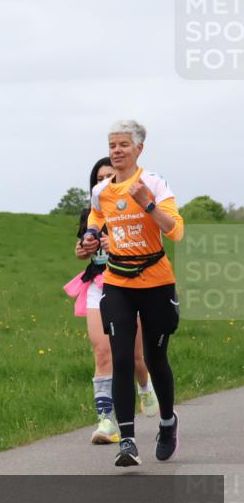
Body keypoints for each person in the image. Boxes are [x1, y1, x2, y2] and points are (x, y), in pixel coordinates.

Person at [81, 120, 184, 467]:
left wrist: (149, 205)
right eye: (112, 144)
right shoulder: (102, 190)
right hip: (118, 282)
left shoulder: (152, 182)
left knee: (155, 360)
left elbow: (176, 232)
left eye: (123, 144)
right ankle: (127, 440)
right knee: (121, 357)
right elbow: (96, 215)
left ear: (139, 148)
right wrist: (91, 236)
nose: (116, 150)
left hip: (155, 282)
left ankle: (167, 423)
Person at [64, 157, 159, 445]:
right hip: (97, 285)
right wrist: (85, 247)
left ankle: (144, 385)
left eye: (109, 176)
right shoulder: (90, 212)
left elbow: (146, 243)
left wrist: (115, 245)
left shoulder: (133, 209)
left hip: (131, 283)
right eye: (99, 178)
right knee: (103, 353)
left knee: (134, 357)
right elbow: (82, 251)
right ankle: (106, 421)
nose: (104, 181)